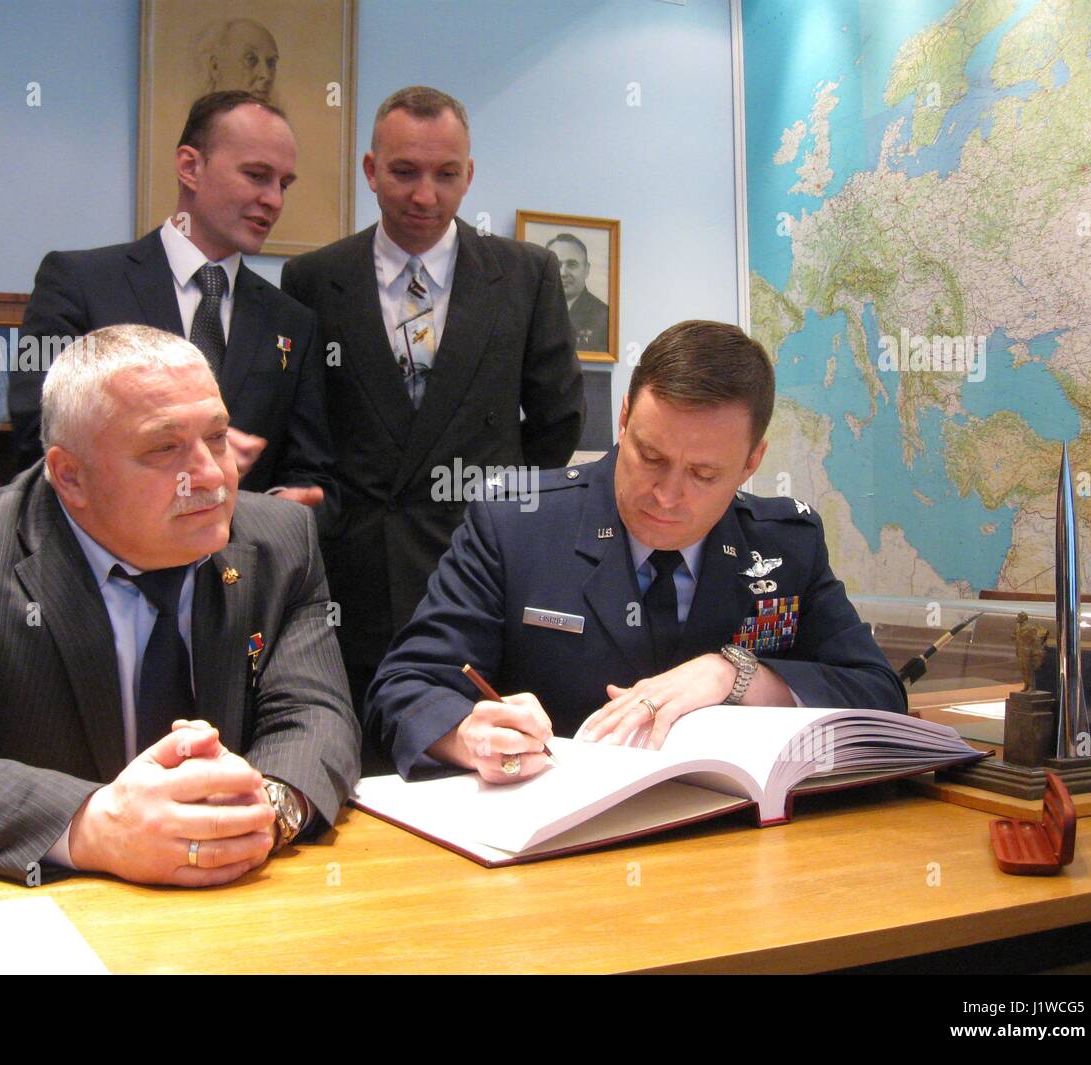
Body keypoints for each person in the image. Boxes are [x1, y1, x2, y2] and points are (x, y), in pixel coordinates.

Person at [0, 324, 360, 885]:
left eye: (216, 436)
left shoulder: (280, 538)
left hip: (237, 904)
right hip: (42, 914)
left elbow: (316, 715)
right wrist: (94, 825)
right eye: (164, 448)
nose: (211, 476)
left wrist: (261, 813)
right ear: (70, 475)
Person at [366, 320, 907, 782]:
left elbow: (879, 694)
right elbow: (403, 688)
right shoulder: (517, 523)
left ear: (751, 463)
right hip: (554, 845)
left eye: (704, 474)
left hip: (733, 847)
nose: (668, 496)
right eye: (650, 456)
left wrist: (734, 675)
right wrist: (467, 737)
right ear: (623, 420)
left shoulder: (785, 544)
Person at [281, 86, 585, 721]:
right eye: (404, 172)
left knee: (474, 758)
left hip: (476, 571)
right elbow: (308, 425)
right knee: (354, 763)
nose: (425, 195)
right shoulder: (313, 279)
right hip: (351, 580)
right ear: (370, 170)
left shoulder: (525, 275)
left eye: (446, 175)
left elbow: (557, 423)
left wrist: (497, 509)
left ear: (469, 175)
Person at [8, 91, 335, 522]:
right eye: (257, 176)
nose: (274, 199)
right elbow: (37, 432)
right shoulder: (79, 282)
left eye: (284, 184)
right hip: (101, 565)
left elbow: (312, 473)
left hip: (235, 573)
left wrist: (288, 506)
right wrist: (177, 456)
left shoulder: (291, 321)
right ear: (190, 167)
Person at [547, 233, 609, 352]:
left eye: (572, 264)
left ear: (587, 269)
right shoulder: (532, 313)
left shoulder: (604, 317)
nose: (563, 273)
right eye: (556, 265)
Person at [198, 18, 279, 103]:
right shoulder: (203, 115)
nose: (266, 75)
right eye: (251, 59)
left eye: (271, 62)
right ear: (215, 66)